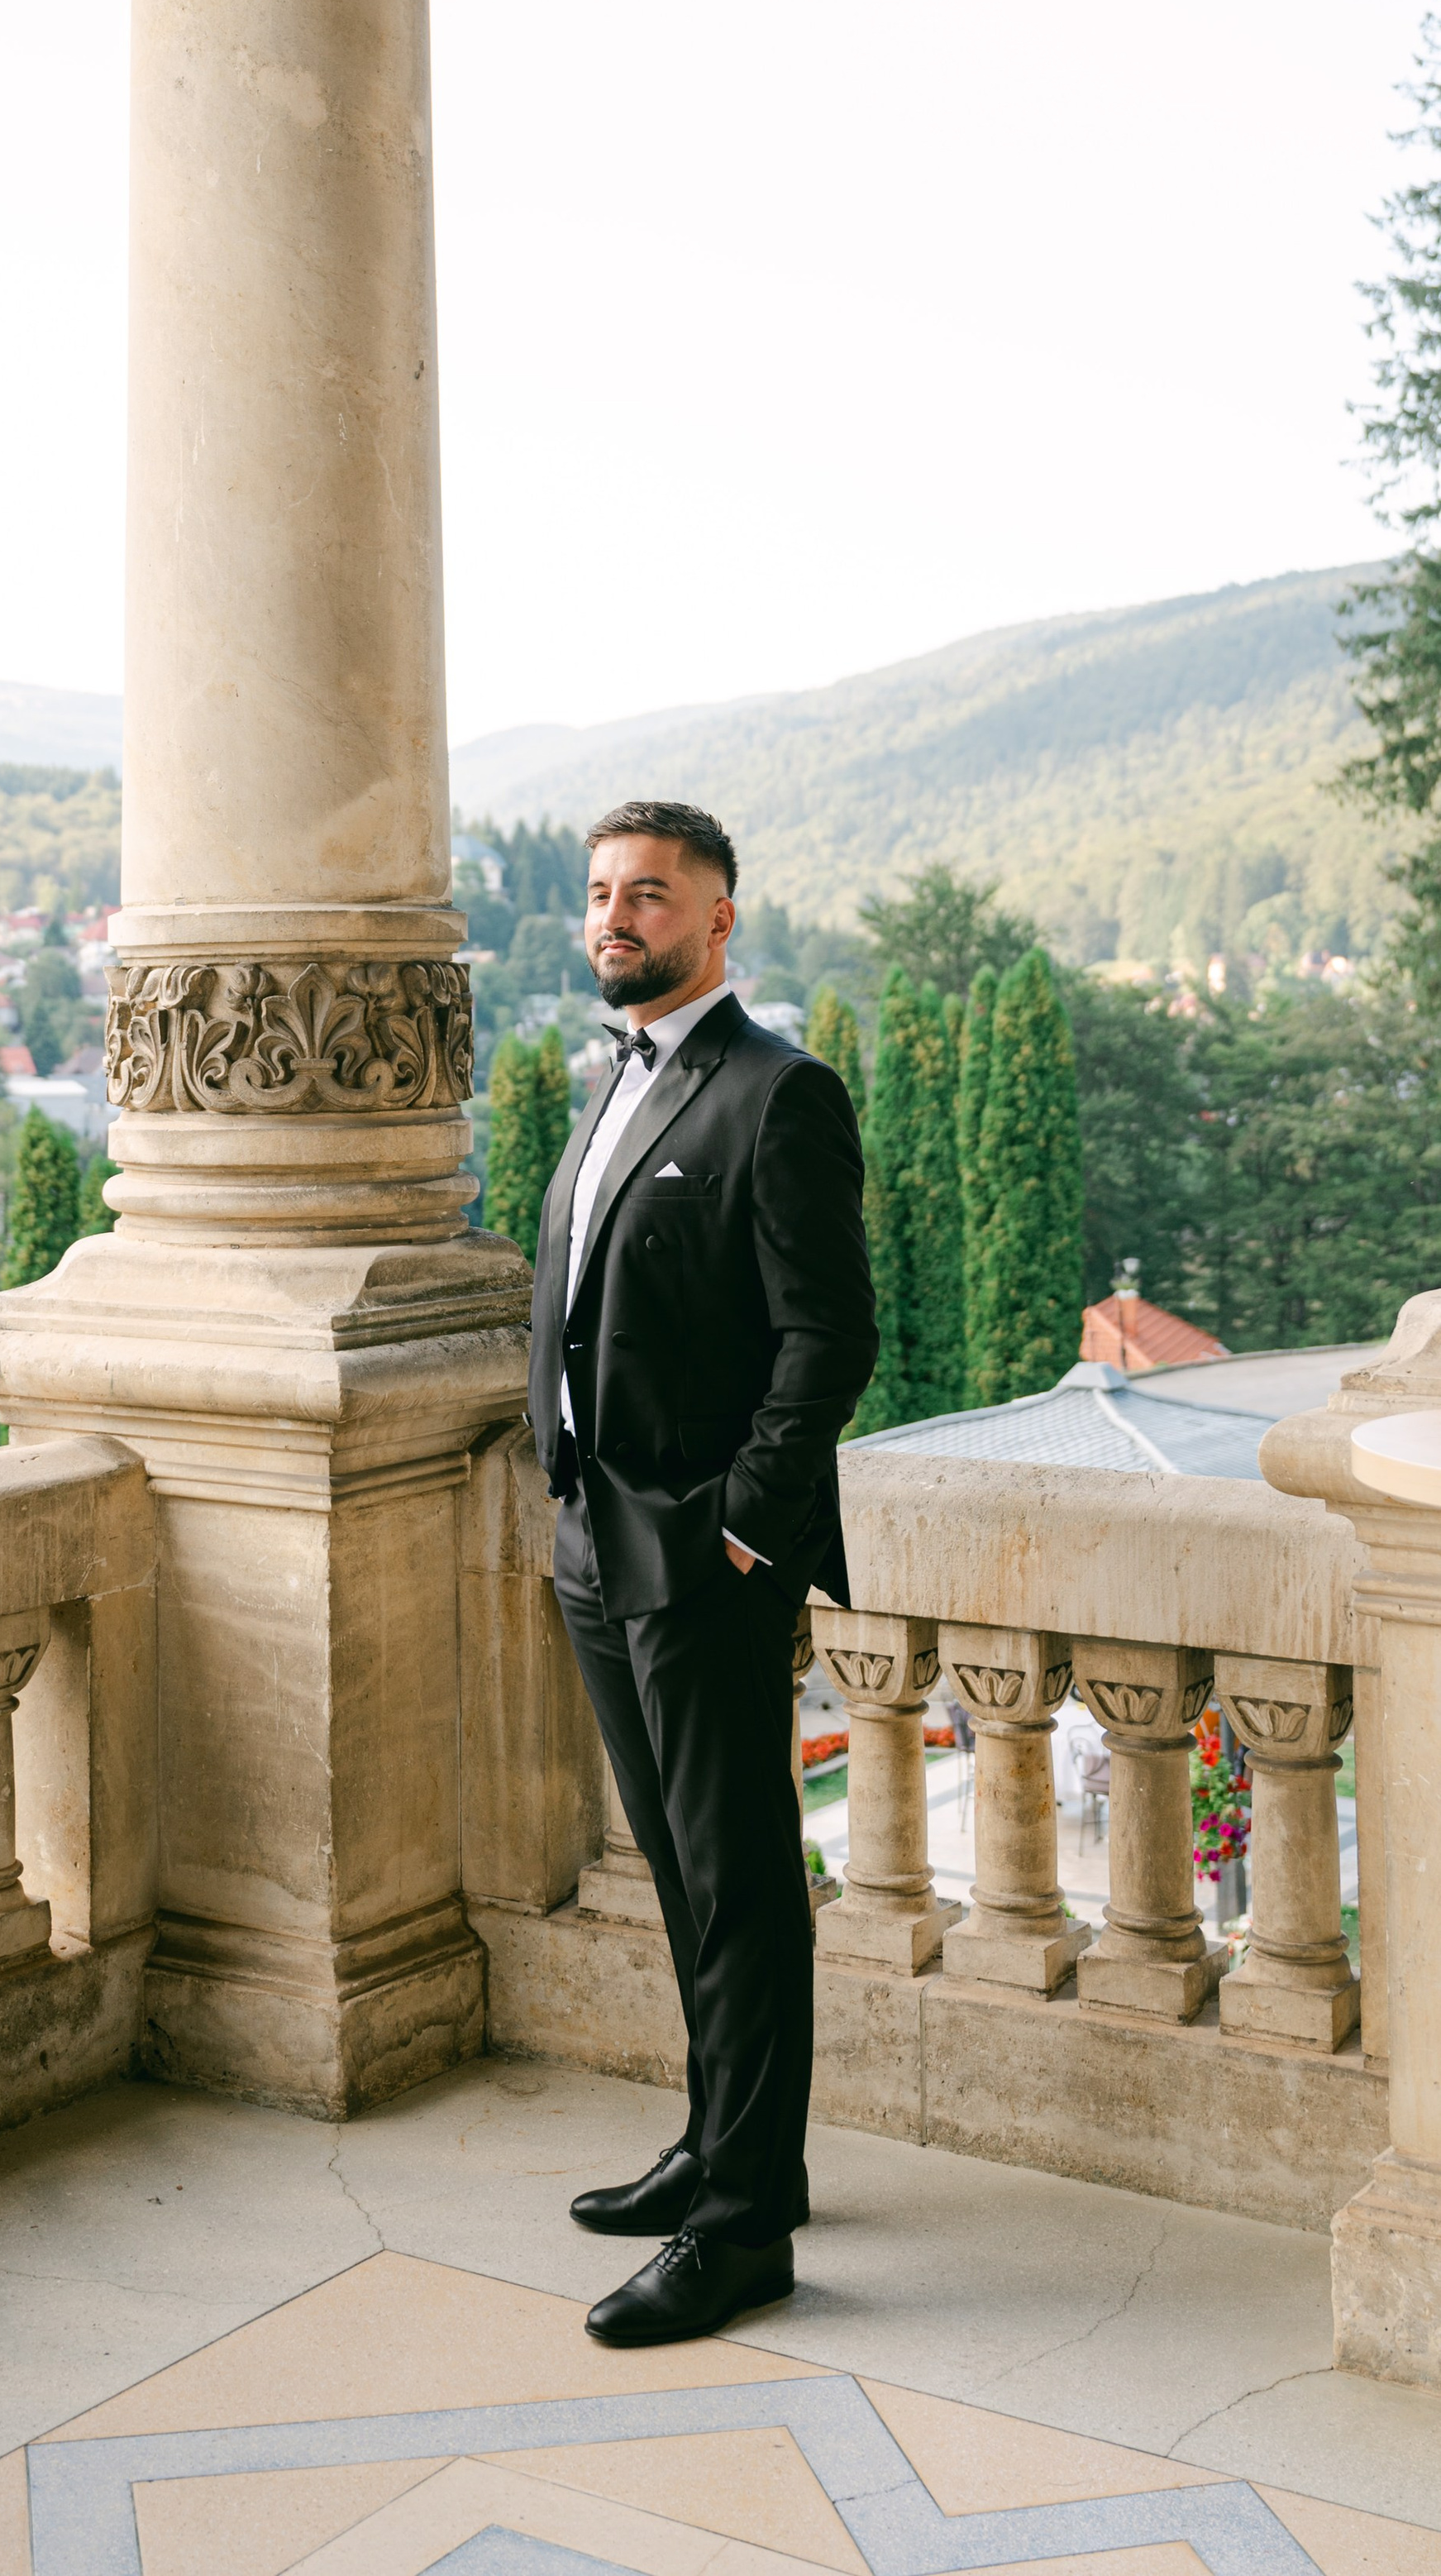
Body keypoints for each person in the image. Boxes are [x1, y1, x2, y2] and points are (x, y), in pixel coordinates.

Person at [528, 801, 876, 2345]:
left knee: (740, 1889)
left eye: (651, 896)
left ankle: (744, 2232)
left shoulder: (779, 1095)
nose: (619, 916)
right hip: (595, 1543)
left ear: (718, 921)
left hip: (706, 1558)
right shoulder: (614, 1078)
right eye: (603, 893)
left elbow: (829, 1338)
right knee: (681, 1874)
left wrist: (743, 1522)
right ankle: (725, 2149)